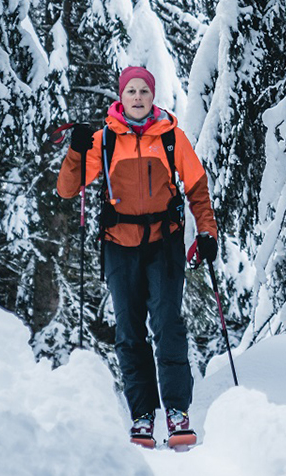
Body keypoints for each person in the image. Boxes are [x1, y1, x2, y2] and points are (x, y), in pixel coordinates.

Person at [56, 66, 219, 448]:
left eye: (144, 91)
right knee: (130, 333)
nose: (138, 97)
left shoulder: (171, 138)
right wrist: (77, 150)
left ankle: (177, 413)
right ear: (121, 96)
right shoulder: (104, 140)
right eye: (131, 91)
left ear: (152, 96)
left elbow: (197, 187)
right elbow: (67, 189)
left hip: (164, 244)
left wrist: (207, 231)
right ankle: (143, 416)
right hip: (119, 245)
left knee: (168, 326)